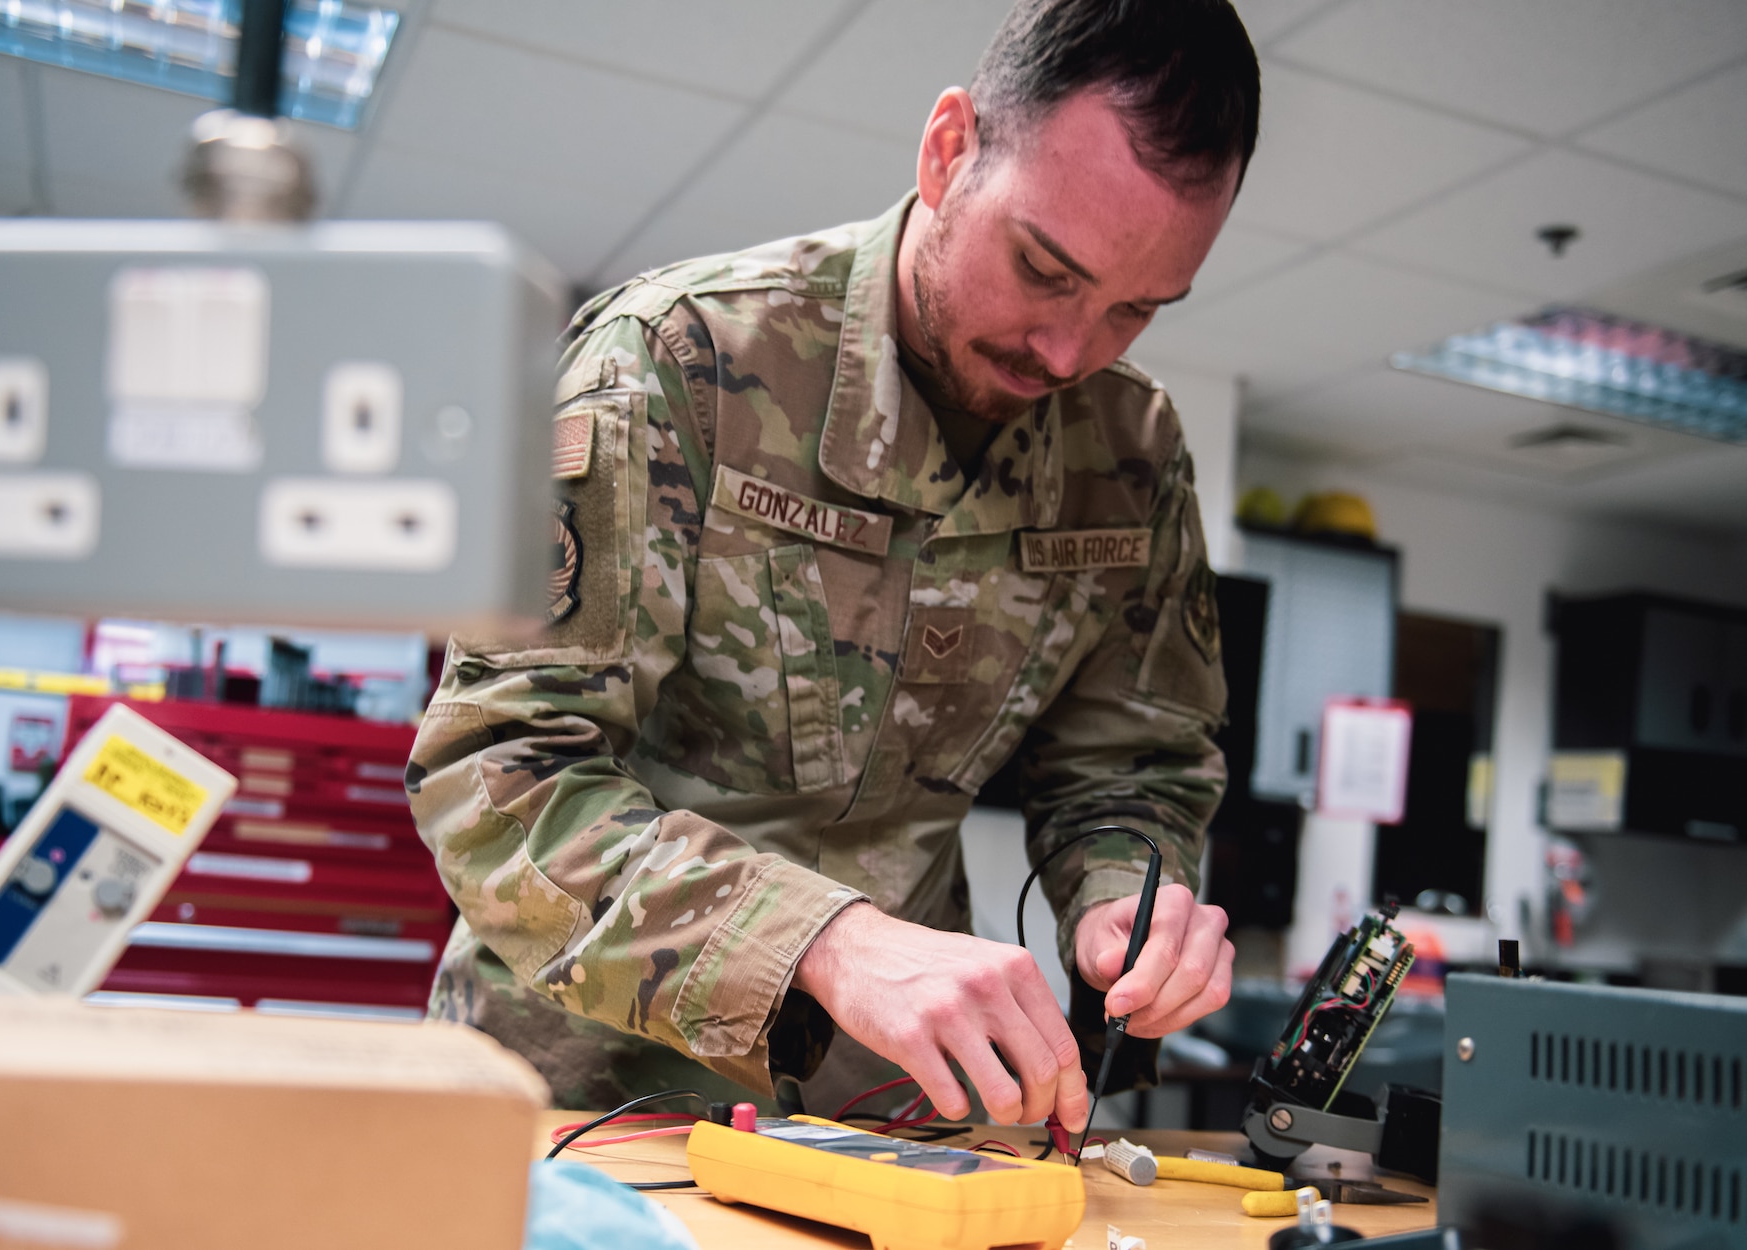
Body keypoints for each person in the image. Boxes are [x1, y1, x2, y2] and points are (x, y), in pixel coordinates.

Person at [407, 0, 1259, 1135]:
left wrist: (1126, 902)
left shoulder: (1130, 453)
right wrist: (827, 940)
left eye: (1135, 309)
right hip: (580, 1097)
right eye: (1044, 269)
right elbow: (499, 769)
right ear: (948, 152)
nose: (1069, 350)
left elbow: (1131, 768)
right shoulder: (680, 361)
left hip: (887, 1118)